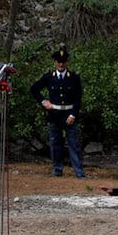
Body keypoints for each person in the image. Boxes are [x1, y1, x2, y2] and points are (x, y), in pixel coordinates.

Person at [30, 44, 85, 179]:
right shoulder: (49, 76)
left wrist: (73, 114)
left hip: (69, 114)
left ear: (66, 62)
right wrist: (43, 101)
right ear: (55, 62)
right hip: (54, 114)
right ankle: (57, 169)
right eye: (58, 62)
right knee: (55, 143)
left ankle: (79, 171)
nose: (61, 64)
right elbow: (34, 89)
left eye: (63, 62)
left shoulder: (73, 77)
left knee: (74, 143)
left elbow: (78, 97)